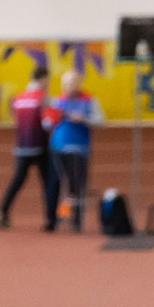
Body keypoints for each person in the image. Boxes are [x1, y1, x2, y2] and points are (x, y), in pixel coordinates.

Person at [0, 59, 57, 232]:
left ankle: (2, 212)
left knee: (17, 181)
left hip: (22, 145)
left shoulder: (19, 97)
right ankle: (50, 219)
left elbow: (14, 115)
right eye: (48, 80)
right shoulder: (43, 99)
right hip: (39, 145)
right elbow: (47, 122)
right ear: (44, 79)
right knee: (48, 182)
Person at [48, 68, 101, 233]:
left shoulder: (89, 100)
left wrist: (83, 119)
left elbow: (100, 120)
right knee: (58, 183)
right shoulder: (57, 101)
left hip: (80, 148)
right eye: (66, 83)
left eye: (73, 83)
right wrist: (53, 118)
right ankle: (55, 218)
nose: (69, 86)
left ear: (79, 84)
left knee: (78, 184)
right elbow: (47, 124)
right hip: (59, 147)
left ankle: (76, 220)